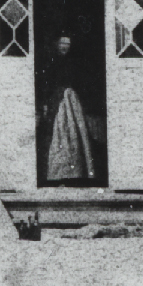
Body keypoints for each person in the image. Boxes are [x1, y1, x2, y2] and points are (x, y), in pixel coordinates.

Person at [43, 32, 96, 184]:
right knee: (58, 134)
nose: (64, 47)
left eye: (67, 44)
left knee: (75, 134)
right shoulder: (51, 62)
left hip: (71, 100)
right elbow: (47, 84)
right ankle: (58, 172)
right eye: (62, 44)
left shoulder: (74, 63)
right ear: (56, 45)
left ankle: (76, 171)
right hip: (56, 102)